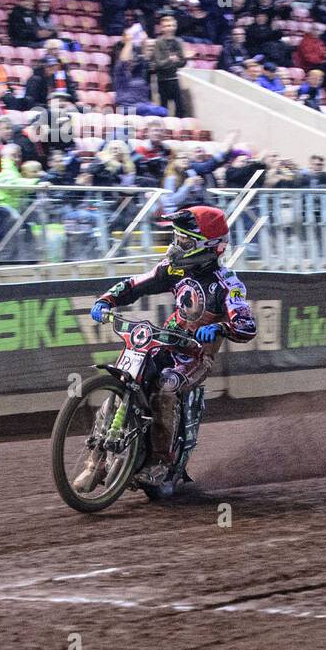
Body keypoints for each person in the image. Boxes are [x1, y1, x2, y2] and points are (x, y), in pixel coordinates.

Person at [78, 206, 256, 491]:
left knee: (166, 388)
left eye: (184, 241)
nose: (176, 245)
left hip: (196, 354)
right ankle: (95, 461)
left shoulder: (227, 285)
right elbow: (136, 284)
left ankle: (159, 463)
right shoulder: (174, 269)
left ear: (207, 247)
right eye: (176, 238)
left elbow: (247, 325)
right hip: (165, 342)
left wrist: (221, 328)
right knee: (122, 380)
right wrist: (106, 300)